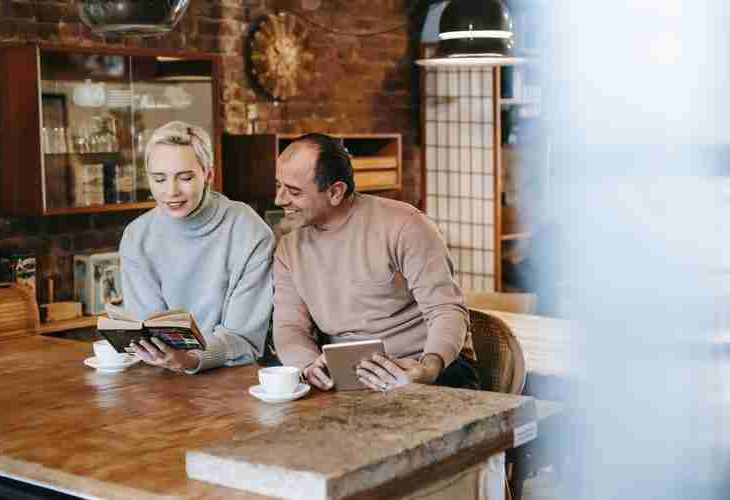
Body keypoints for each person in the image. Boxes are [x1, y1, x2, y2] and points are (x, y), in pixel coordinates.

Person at [272, 133, 478, 391]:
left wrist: (428, 367)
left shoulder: (405, 225)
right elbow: (289, 326)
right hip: (346, 376)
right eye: (278, 185)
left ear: (336, 192)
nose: (279, 200)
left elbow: (446, 309)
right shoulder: (289, 248)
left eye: (293, 191)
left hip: (424, 367)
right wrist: (308, 365)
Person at [120, 121, 275, 373]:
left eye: (185, 177)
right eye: (159, 179)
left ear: (209, 176)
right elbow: (147, 329)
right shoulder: (137, 236)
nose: (171, 191)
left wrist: (192, 359)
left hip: (234, 376)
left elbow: (245, 339)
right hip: (161, 375)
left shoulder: (249, 231)